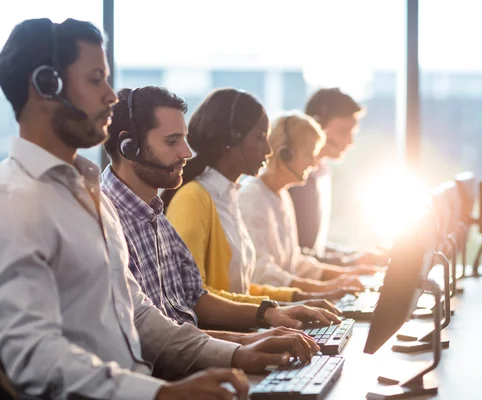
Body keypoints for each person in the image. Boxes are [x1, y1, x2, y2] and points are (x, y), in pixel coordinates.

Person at [0, 18, 320, 400]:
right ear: (47, 85)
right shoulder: (11, 203)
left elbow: (141, 318)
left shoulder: (86, 195)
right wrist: (161, 394)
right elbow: (35, 359)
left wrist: (238, 353)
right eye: (96, 79)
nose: (111, 96)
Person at [101, 86, 342, 342]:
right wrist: (251, 336)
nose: (186, 152)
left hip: (203, 347)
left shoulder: (158, 215)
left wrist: (273, 312)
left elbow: (196, 297)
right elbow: (166, 328)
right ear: (128, 148)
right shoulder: (182, 201)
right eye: (172, 141)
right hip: (187, 359)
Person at [162, 88, 357, 304]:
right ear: (232, 139)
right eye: (260, 137)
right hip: (224, 335)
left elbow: (242, 289)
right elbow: (195, 298)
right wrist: (271, 313)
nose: (268, 149)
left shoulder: (229, 196)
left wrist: (302, 299)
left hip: (238, 332)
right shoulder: (195, 199)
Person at [238, 112, 378, 294]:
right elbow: (262, 274)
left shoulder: (281, 195)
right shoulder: (251, 197)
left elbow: (294, 262)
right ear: (285, 154)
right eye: (309, 154)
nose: (313, 163)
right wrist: (326, 288)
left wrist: (345, 274)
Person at [289, 88, 389, 266]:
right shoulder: (294, 180)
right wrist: (352, 261)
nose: (350, 142)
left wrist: (358, 254)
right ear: (317, 126)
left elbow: (315, 248)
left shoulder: (321, 173)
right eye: (344, 131)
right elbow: (294, 252)